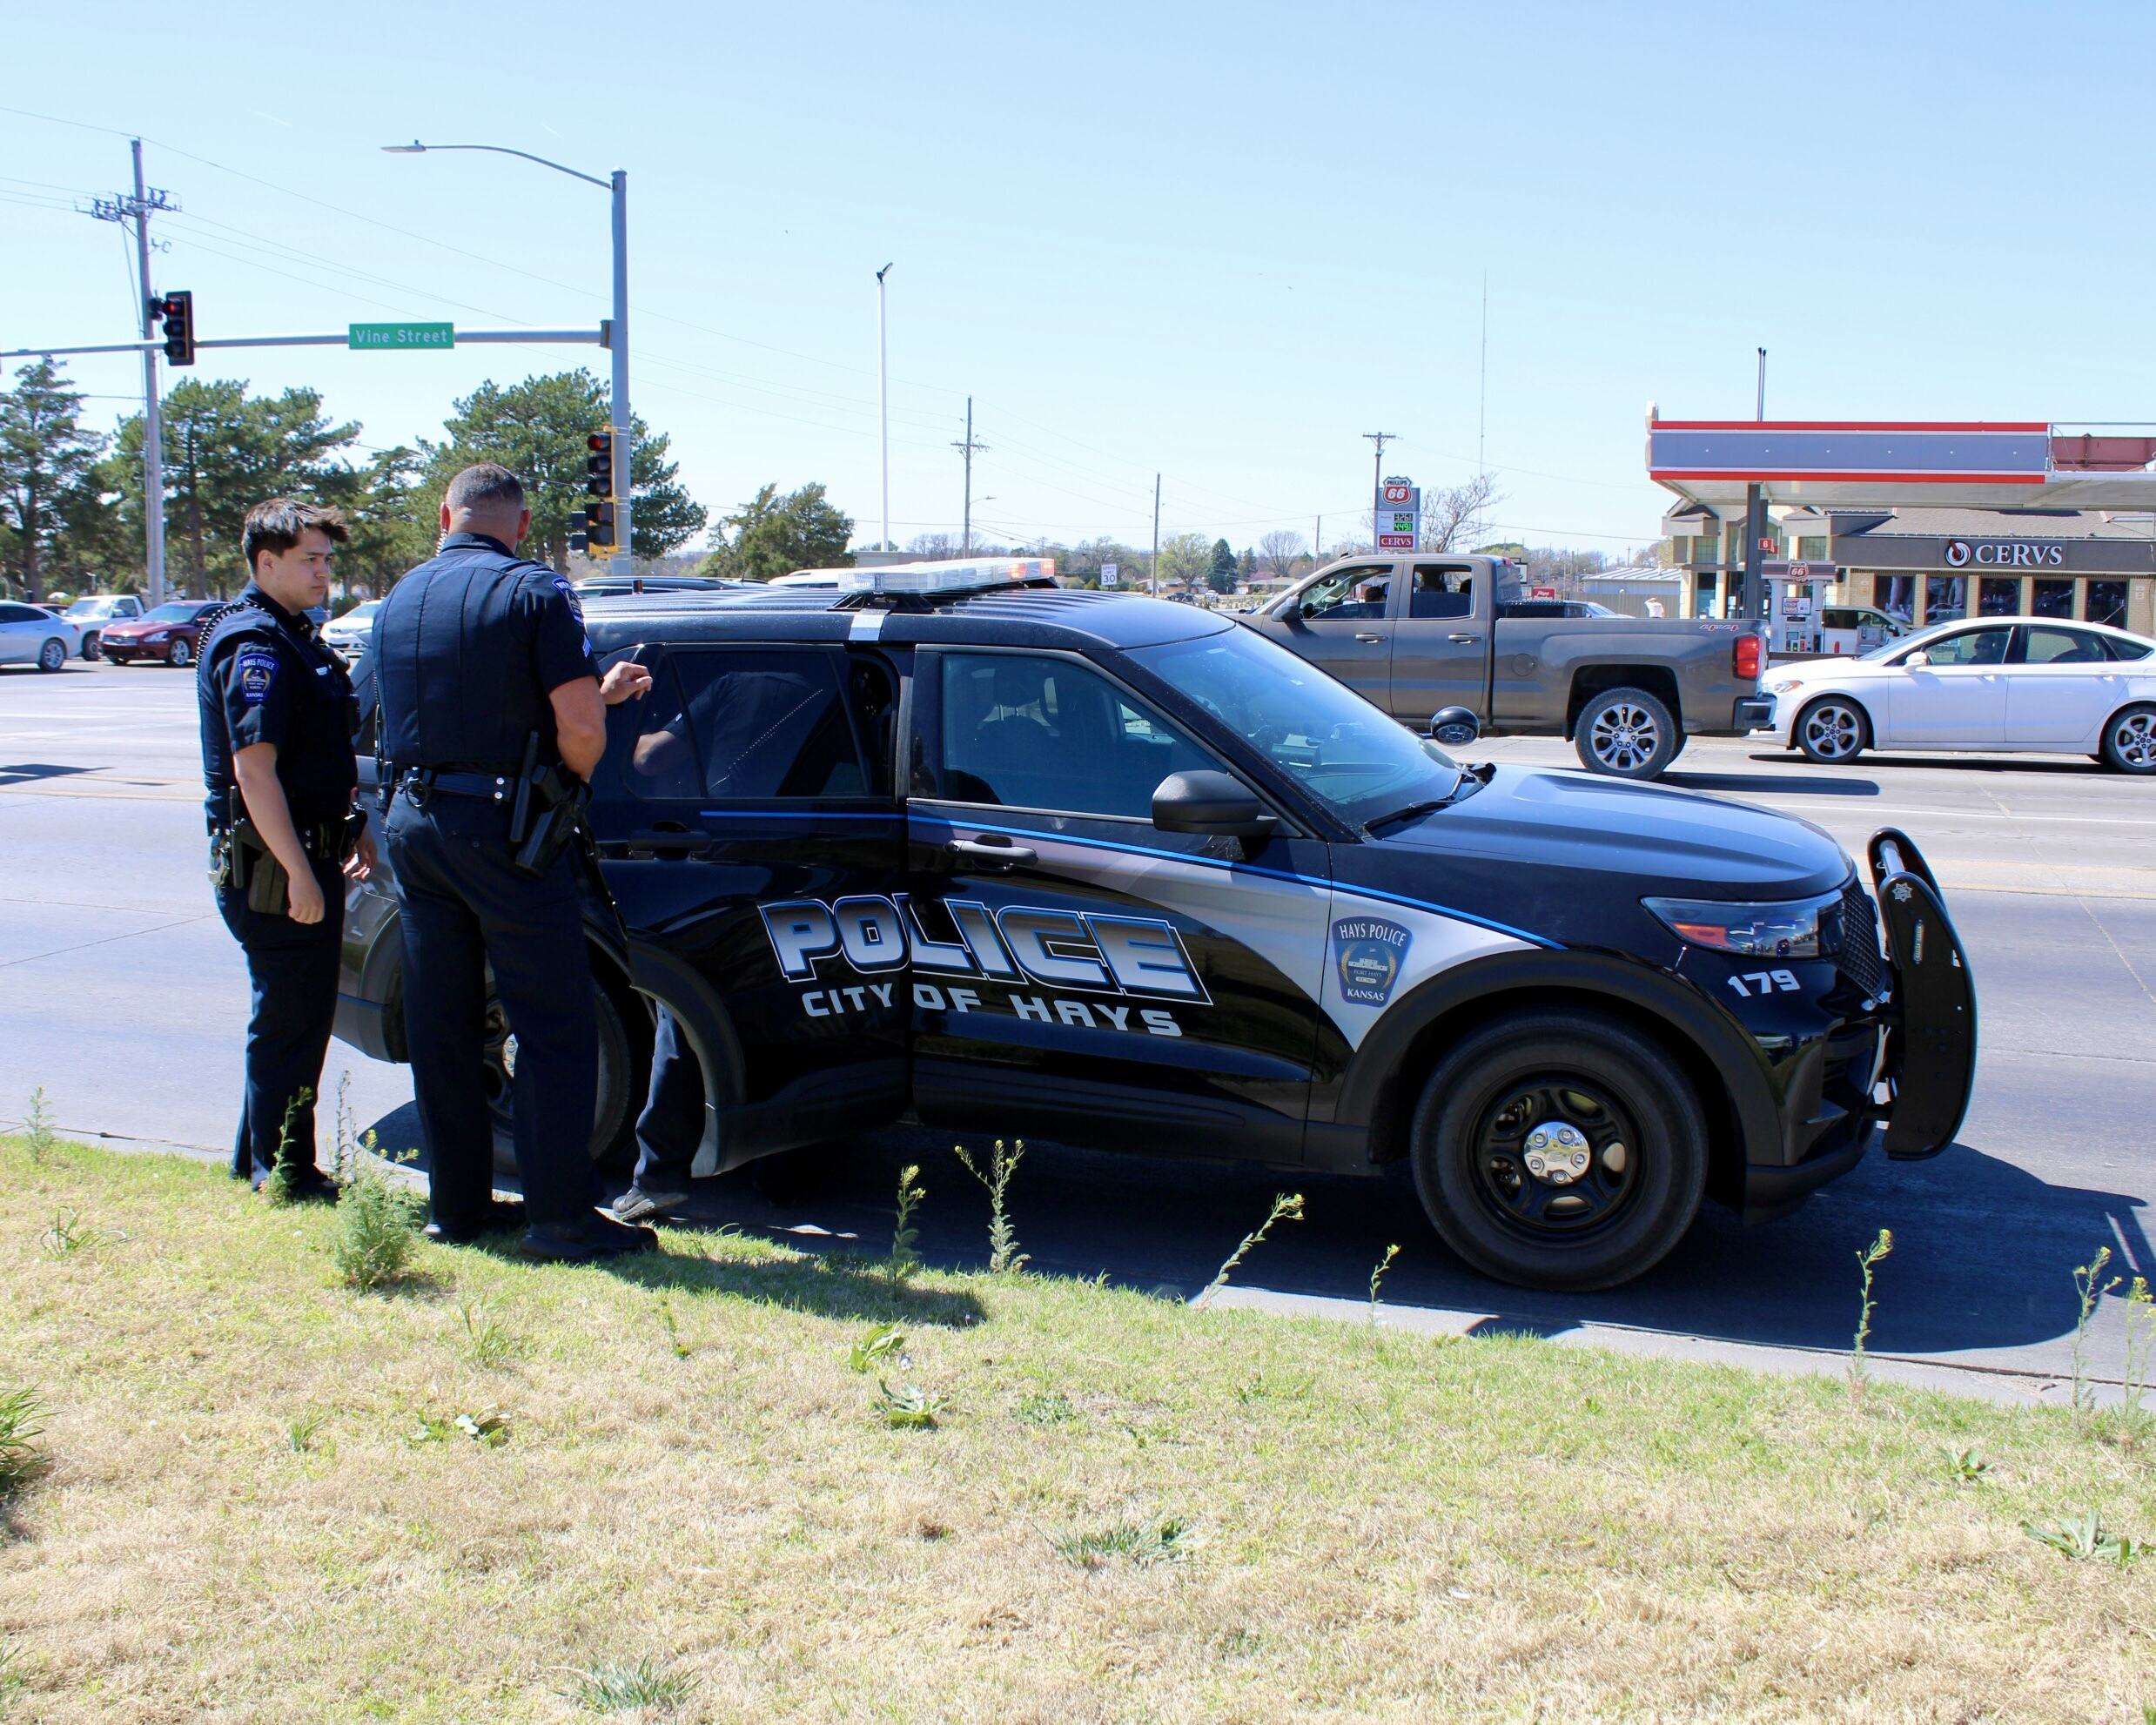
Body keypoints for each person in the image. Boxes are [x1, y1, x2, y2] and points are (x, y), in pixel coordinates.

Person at [371, 463, 655, 1260]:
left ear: (444, 515)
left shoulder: (401, 597)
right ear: (521, 525)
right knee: (555, 1024)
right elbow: (578, 728)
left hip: (414, 825)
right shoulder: (537, 592)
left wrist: (594, 697)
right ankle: (559, 1217)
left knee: (443, 1025)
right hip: (505, 831)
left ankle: (455, 1210)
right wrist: (568, 786)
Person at [198, 499, 374, 1198]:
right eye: (310, 558)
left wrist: (348, 822)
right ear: (265, 561)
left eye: (328, 558)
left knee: (296, 1016)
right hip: (274, 869)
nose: (324, 571)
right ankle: (285, 1172)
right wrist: (300, 872)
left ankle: (260, 1161)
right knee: (290, 1021)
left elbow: (311, 757)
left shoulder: (292, 634)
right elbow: (254, 771)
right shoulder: (257, 645)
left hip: (300, 854)